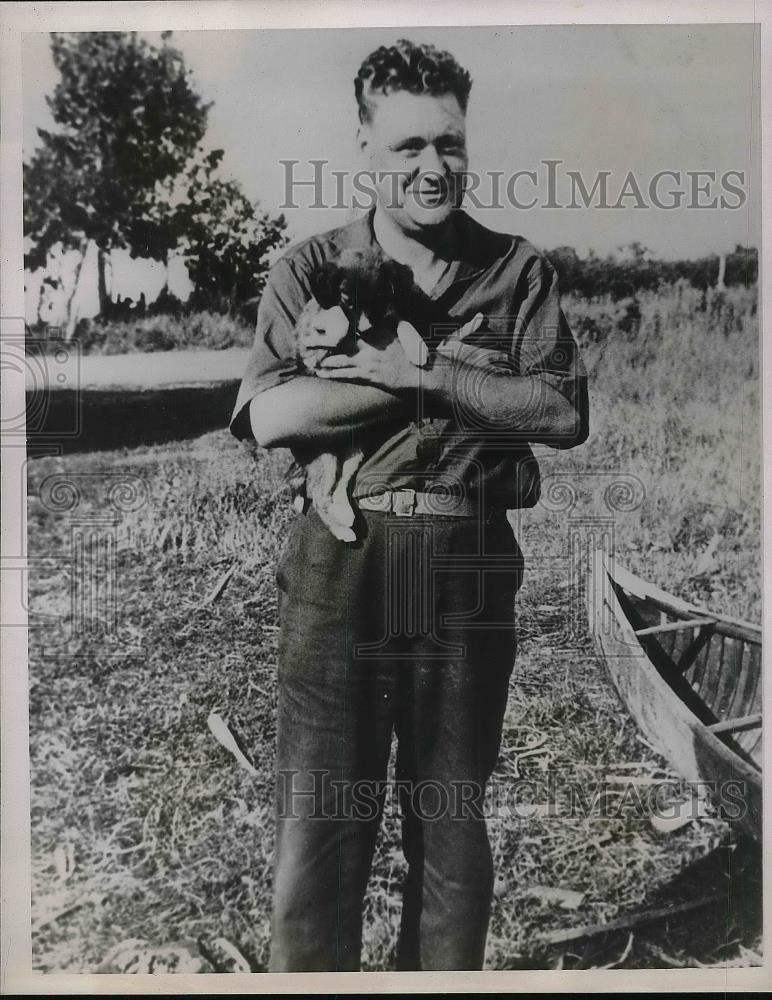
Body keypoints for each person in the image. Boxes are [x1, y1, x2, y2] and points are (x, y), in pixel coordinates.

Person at [230, 38, 589, 972]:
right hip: (340, 565)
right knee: (318, 833)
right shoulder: (308, 269)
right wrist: (427, 377)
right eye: (408, 149)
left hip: (466, 563)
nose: (434, 169)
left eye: (451, 144)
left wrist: (423, 367)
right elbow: (273, 413)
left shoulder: (516, 273)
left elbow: (560, 408)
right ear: (363, 147)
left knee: (452, 829)